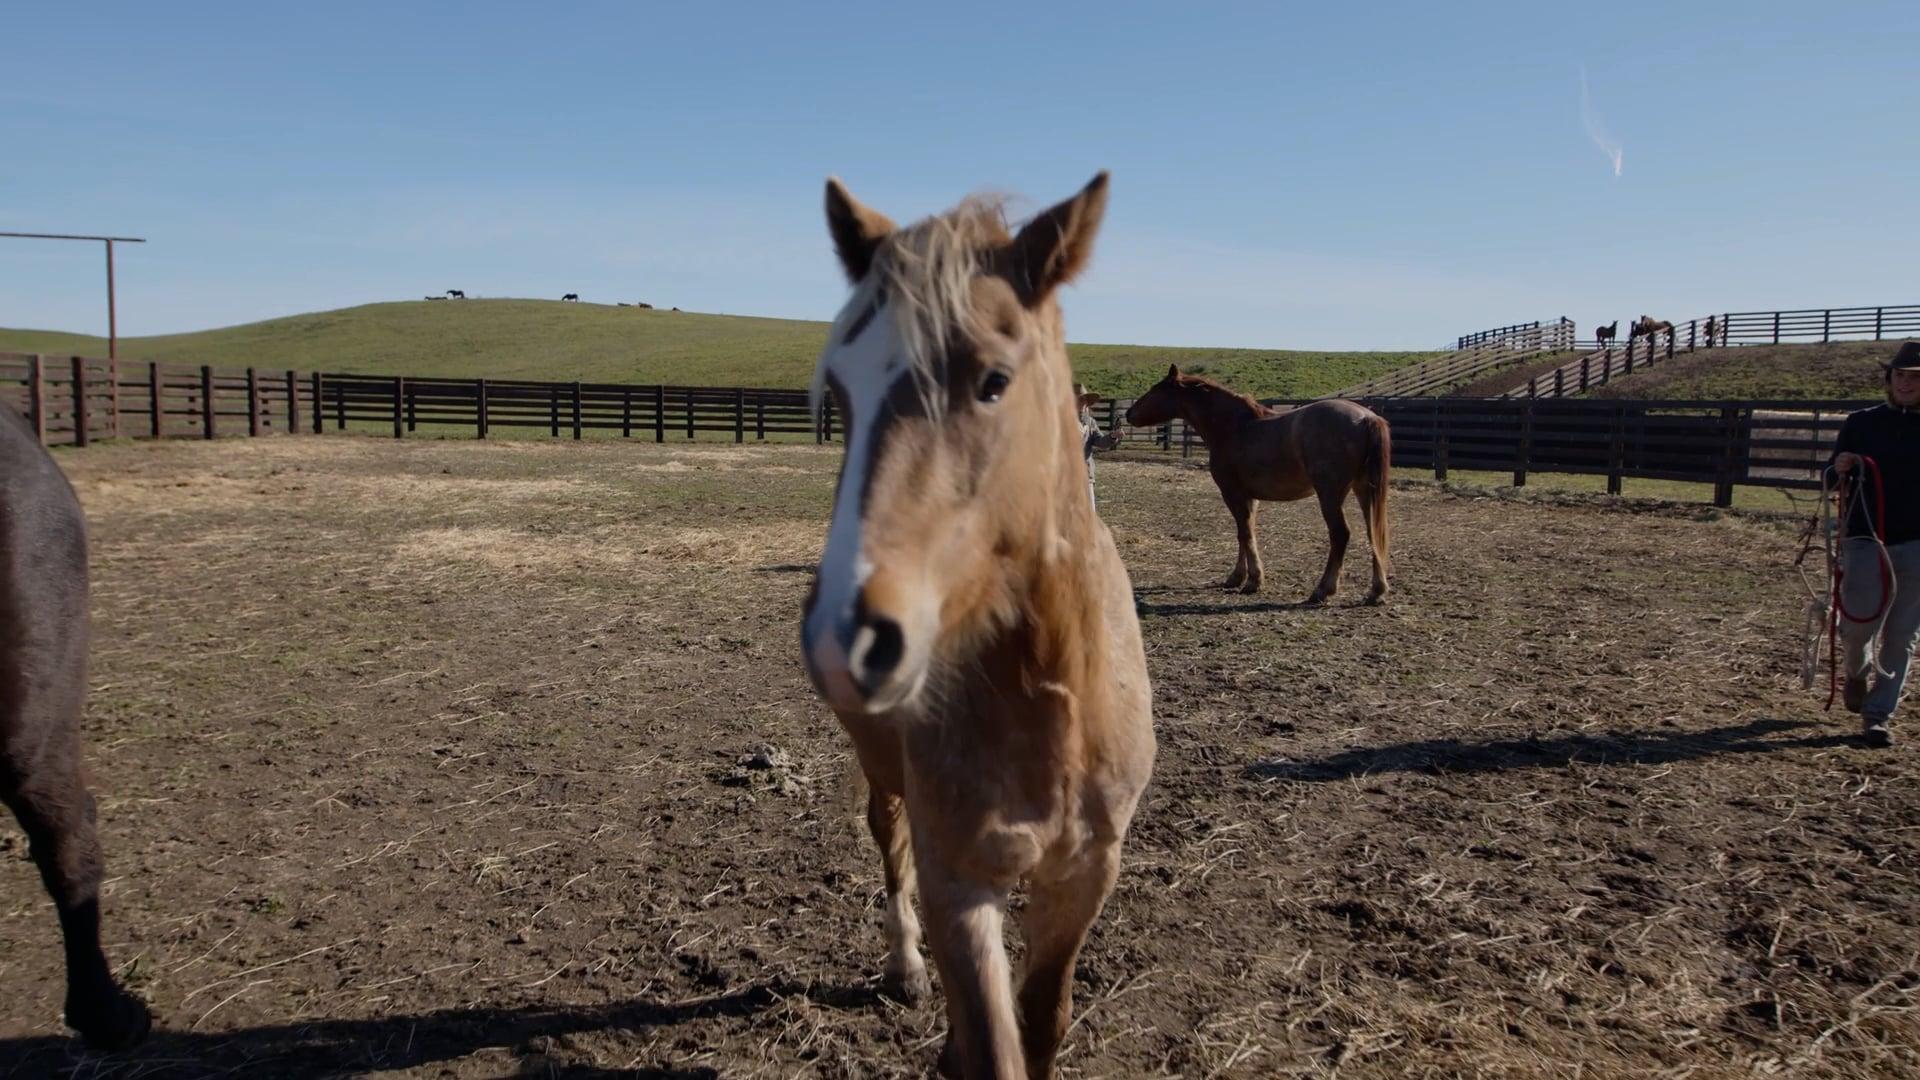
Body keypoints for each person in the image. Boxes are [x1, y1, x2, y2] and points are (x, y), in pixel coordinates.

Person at [1828, 340, 1920, 748]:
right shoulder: (1861, 423)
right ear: (1889, 379)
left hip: (1917, 543)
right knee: (1856, 626)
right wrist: (1840, 467)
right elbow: (1831, 477)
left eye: (1915, 378)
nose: (1906, 383)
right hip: (1866, 537)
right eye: (1900, 375)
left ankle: (1878, 715)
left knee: (1902, 634)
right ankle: (1856, 670)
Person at [1076, 383, 1120, 510]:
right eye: (1080, 399)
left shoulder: (1090, 422)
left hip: (1085, 473)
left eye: (1085, 400)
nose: (1083, 403)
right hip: (1064, 475)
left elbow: (1100, 441)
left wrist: (1112, 436)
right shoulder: (1061, 421)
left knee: (1089, 513)